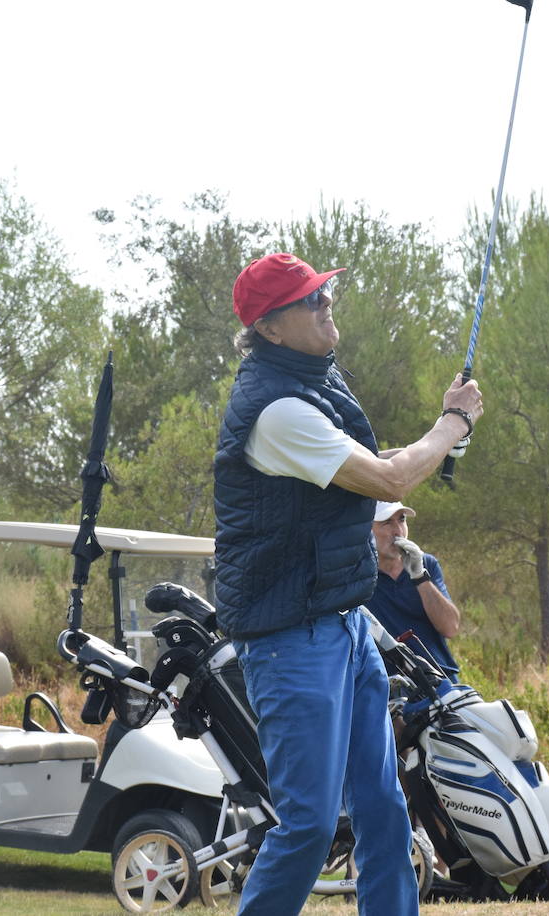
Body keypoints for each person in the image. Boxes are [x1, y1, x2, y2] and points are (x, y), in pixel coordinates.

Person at [214, 252, 482, 916]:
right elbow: (389, 483)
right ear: (270, 329)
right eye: (311, 301)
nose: (326, 304)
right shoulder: (275, 411)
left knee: (385, 808)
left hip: (343, 625)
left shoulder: (311, 385)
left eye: (325, 293)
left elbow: (374, 465)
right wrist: (453, 426)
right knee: (308, 826)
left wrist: (436, 439)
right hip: (290, 642)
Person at [366, 501, 463, 681]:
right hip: (391, 684)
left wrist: (419, 577)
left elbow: (450, 628)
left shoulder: (426, 564)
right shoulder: (360, 574)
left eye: (401, 520)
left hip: (441, 676)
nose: (398, 531)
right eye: (387, 523)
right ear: (368, 530)